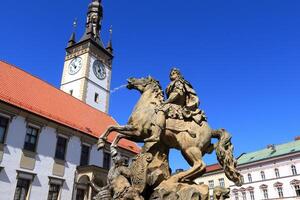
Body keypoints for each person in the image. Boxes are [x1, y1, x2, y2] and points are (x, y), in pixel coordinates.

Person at [145, 68, 203, 142]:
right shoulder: (173, 83)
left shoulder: (178, 82)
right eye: (170, 74)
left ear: (178, 74)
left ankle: (156, 135)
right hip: (172, 103)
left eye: (173, 73)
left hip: (176, 105)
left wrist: (166, 102)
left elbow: (176, 94)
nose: (171, 75)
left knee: (161, 110)